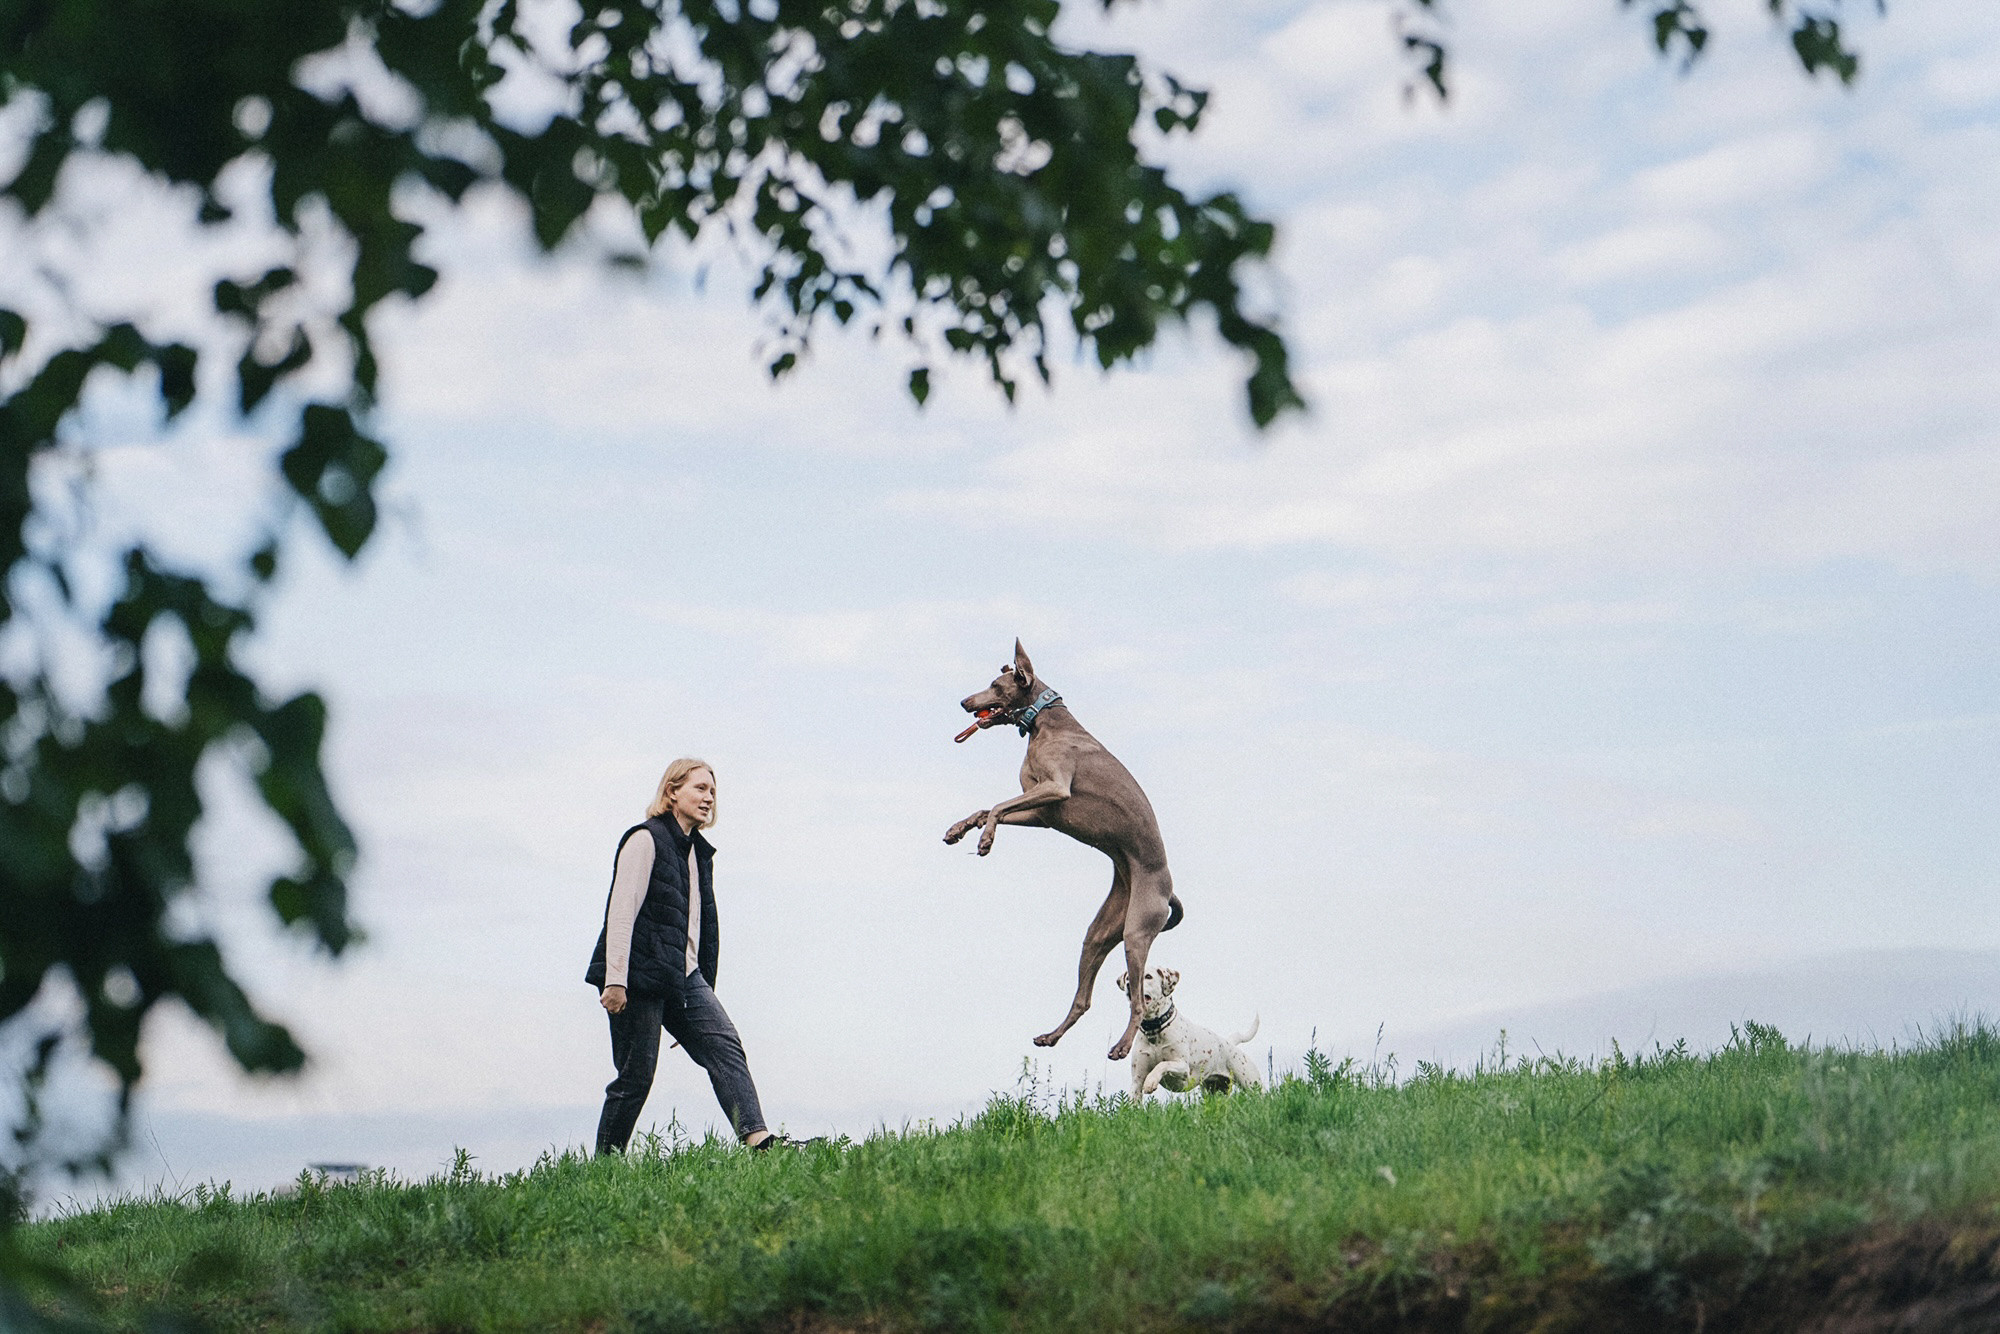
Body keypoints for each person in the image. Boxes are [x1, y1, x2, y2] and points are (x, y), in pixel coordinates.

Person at [586, 758, 793, 1152]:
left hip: (684, 978)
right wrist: (615, 979)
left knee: (724, 1044)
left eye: (713, 792)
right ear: (672, 791)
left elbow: (697, 929)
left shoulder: (697, 853)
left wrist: (699, 998)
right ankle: (605, 1164)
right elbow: (621, 911)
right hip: (639, 973)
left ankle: (760, 1144)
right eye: (700, 788)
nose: (709, 798)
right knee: (636, 1076)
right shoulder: (644, 839)